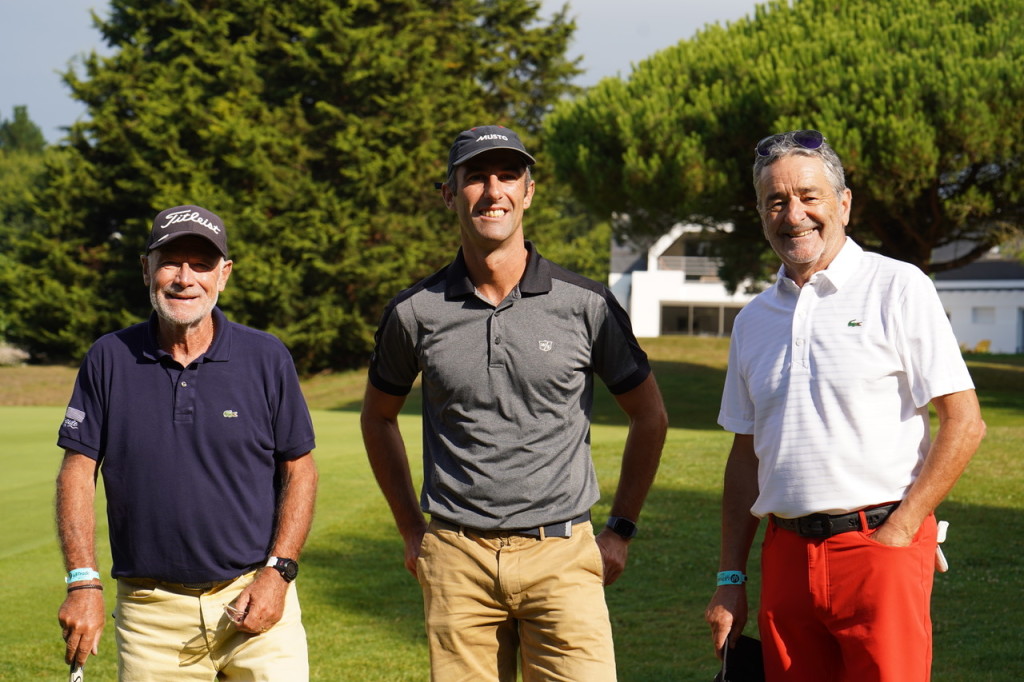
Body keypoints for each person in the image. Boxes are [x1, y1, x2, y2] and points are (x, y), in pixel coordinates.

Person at [361, 124, 668, 681]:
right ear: (450, 196)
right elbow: (378, 417)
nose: (492, 190)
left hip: (564, 556)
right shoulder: (414, 312)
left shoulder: (587, 305)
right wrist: (411, 530)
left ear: (529, 191)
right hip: (457, 560)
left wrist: (620, 528)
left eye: (507, 176)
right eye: (475, 177)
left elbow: (649, 415)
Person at [705, 130, 986, 681]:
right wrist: (730, 579)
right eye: (776, 201)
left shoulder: (898, 287)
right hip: (785, 556)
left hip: (880, 546)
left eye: (809, 196)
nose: (794, 215)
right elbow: (745, 459)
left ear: (844, 203)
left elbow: (965, 422)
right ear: (762, 214)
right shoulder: (752, 320)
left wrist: (901, 532)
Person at [56, 205, 318, 680]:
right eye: (171, 262)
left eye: (201, 264)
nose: (184, 278)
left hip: (254, 598)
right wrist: (82, 581)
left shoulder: (266, 356)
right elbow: (77, 469)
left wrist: (279, 573)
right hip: (150, 612)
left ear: (224, 274)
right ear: (146, 269)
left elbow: (299, 469)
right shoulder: (108, 358)